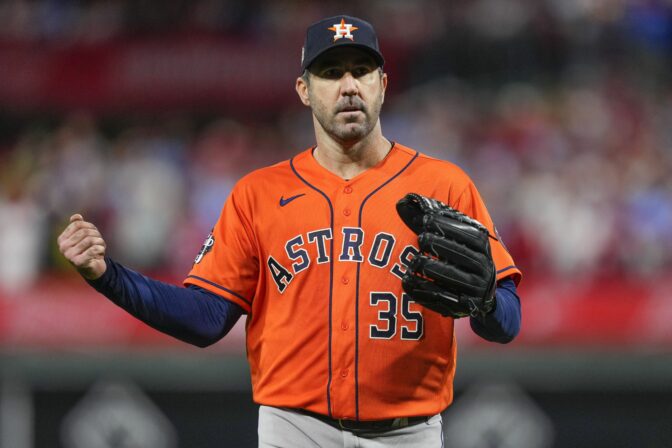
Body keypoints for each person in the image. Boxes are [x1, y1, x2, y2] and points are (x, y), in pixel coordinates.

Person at [57, 15, 522, 448]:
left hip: (409, 433)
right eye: (330, 72)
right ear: (304, 89)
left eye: (361, 71)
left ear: (382, 84)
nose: (348, 87)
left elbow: (507, 320)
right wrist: (108, 275)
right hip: (294, 429)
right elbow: (204, 319)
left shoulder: (444, 185)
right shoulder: (258, 193)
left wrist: (486, 303)